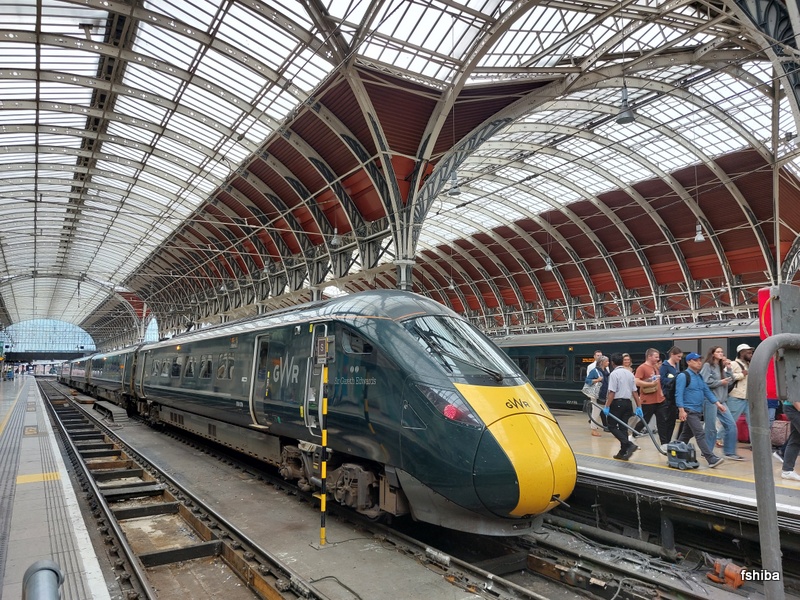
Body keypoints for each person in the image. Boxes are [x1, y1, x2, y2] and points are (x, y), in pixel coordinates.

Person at [675, 352, 726, 468]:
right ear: (688, 362)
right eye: (696, 360)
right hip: (689, 410)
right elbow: (678, 394)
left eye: (699, 360)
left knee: (685, 435)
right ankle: (711, 459)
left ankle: (675, 451)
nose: (699, 363)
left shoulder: (699, 376)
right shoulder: (683, 376)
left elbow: (706, 391)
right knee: (700, 433)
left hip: (697, 411)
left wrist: (717, 404)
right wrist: (681, 410)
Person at [700, 346, 744, 461]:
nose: (721, 353)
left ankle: (730, 452)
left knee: (731, 425)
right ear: (713, 354)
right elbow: (704, 382)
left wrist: (729, 369)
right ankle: (707, 452)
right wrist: (720, 382)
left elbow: (730, 381)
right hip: (711, 400)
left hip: (722, 400)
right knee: (710, 428)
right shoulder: (707, 366)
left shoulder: (720, 367)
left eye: (722, 352)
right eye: (718, 352)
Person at [603, 352, 642, 461]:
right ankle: (623, 452)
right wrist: (639, 406)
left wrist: (607, 406)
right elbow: (635, 392)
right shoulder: (629, 374)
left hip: (617, 403)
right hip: (628, 403)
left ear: (612, 363)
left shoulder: (614, 374)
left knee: (611, 426)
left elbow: (612, 392)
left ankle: (628, 444)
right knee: (623, 428)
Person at [633, 348, 671, 446]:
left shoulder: (655, 367)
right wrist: (649, 384)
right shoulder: (642, 368)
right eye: (656, 357)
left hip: (660, 400)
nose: (658, 359)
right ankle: (633, 435)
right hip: (648, 400)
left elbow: (658, 381)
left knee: (662, 421)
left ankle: (664, 443)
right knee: (645, 420)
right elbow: (636, 381)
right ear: (649, 356)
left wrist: (661, 392)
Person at [727, 343, 753, 434]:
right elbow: (727, 377)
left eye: (751, 353)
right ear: (741, 353)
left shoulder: (749, 365)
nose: (751, 355)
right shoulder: (733, 364)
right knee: (731, 421)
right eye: (748, 353)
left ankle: (755, 441)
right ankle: (719, 437)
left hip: (748, 398)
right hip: (736, 397)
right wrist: (741, 374)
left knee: (753, 422)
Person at [659, 346, 683, 439]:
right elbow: (662, 380)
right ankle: (665, 440)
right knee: (667, 420)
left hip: (674, 396)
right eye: (678, 356)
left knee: (672, 421)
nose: (680, 359)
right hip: (667, 396)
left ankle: (670, 439)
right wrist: (673, 380)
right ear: (672, 355)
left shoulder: (676, 366)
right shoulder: (664, 366)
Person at [586, 355, 609, 436]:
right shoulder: (595, 371)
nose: (608, 363)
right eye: (606, 361)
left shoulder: (606, 371)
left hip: (604, 394)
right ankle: (593, 429)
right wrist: (597, 380)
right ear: (602, 362)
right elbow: (587, 380)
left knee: (599, 411)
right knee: (596, 412)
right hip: (596, 395)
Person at [778, 397, 800, 480]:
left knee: (795, 439)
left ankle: (787, 471)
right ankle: (787, 471)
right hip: (794, 406)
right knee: (795, 440)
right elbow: (793, 396)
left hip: (794, 407)